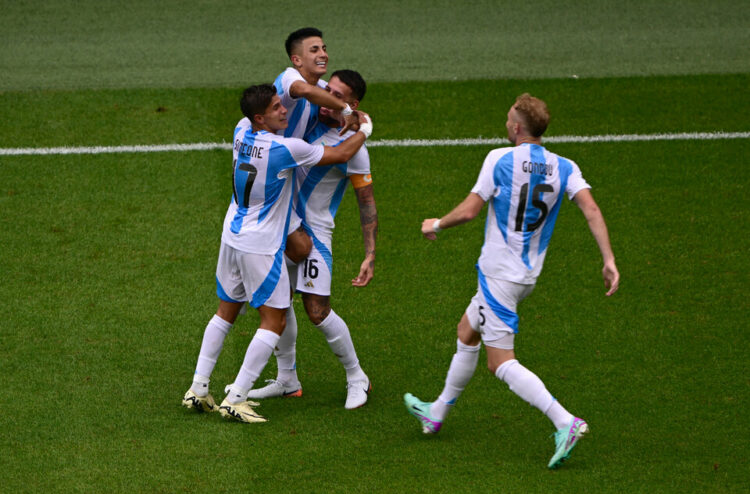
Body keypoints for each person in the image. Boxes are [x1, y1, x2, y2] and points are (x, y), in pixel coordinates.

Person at [404, 93, 619, 469]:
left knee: (500, 362)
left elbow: (471, 211)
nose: (506, 125)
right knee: (466, 331)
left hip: (499, 273)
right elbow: (591, 208)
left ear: (517, 128)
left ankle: (565, 421)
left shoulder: (500, 159)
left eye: (508, 120)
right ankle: (436, 412)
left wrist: (435, 224)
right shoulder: (564, 166)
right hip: (526, 275)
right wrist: (609, 259)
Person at [182, 83, 373, 423]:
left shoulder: (241, 130)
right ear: (260, 116)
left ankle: (198, 387)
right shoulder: (286, 148)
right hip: (264, 242)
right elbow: (341, 154)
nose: (284, 109)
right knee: (275, 319)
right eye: (275, 107)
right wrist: (367, 127)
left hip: (234, 234)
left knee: (226, 313)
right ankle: (237, 397)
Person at [247, 70, 377, 409]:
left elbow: (367, 203)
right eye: (326, 89)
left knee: (317, 311)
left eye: (336, 93)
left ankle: (356, 376)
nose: (326, 96)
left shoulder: (353, 149)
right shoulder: (305, 123)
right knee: (279, 304)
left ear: (352, 103)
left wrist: (370, 253)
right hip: (286, 230)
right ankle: (287, 379)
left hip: (315, 236)